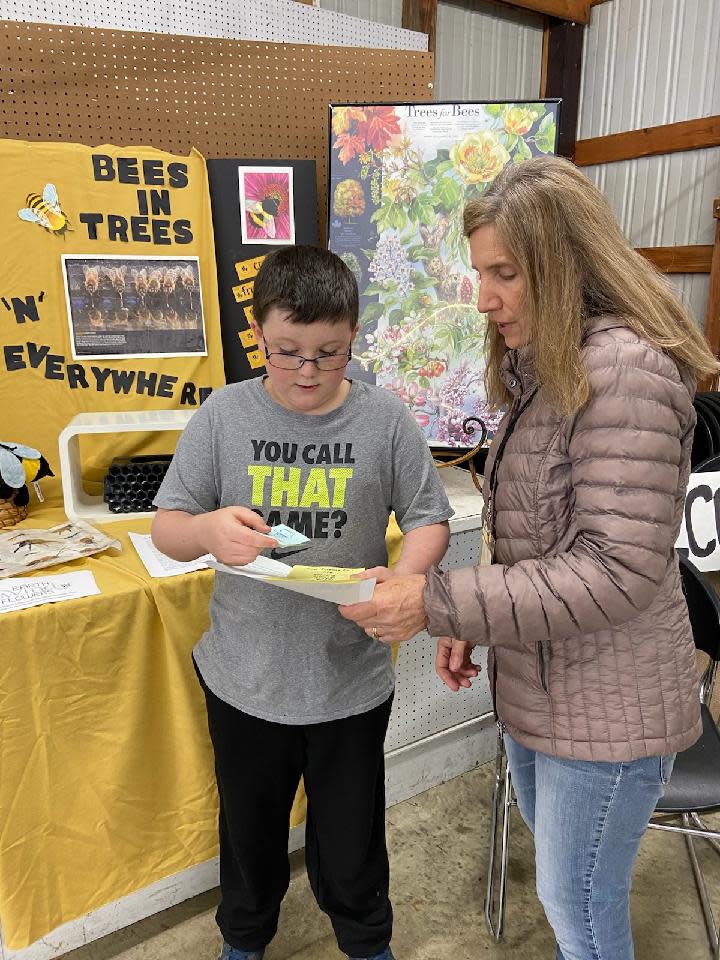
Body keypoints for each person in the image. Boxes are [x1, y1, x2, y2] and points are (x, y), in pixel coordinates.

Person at [339, 155, 720, 960]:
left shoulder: (624, 373)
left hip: (610, 712)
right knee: (567, 892)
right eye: (480, 272)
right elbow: (535, 537)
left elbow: (613, 571)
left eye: (504, 273)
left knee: (579, 908)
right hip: (550, 687)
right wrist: (471, 623)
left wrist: (437, 602)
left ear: (563, 262)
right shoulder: (547, 368)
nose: (485, 297)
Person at [151, 245, 452, 960]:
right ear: (257, 334)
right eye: (288, 352)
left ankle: (366, 941)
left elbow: (428, 518)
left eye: (330, 353)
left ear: (354, 337)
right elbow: (167, 528)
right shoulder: (224, 415)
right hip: (244, 682)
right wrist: (204, 531)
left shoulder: (383, 419)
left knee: (352, 844)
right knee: (249, 838)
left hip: (349, 681)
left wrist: (406, 579)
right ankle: (245, 940)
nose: (309, 373)